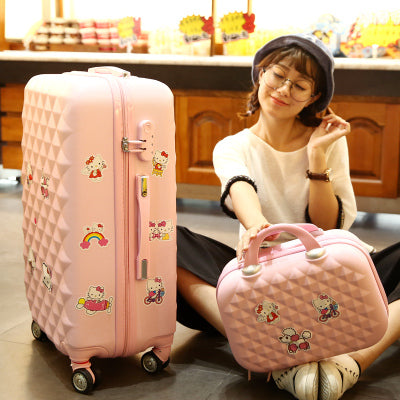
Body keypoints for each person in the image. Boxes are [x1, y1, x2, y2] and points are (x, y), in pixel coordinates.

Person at [176, 33, 400, 400]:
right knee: (170, 242)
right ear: (261, 73)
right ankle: (274, 359)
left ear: (314, 97)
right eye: (278, 75)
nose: (284, 90)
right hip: (266, 277)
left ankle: (349, 364)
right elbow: (240, 186)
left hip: (332, 272)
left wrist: (316, 156)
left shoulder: (327, 139)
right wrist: (255, 227)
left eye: (299, 85)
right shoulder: (232, 147)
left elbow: (328, 228)